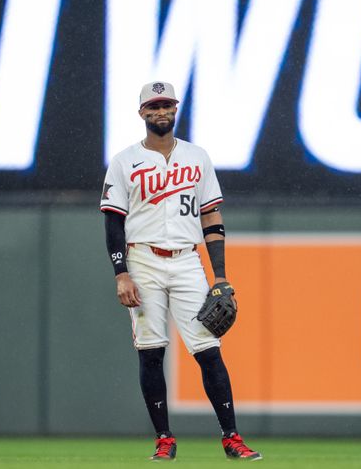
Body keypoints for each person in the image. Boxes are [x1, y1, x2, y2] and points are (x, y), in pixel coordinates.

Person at [100, 81, 262, 461]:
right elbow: (112, 221)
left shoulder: (197, 156)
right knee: (151, 350)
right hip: (142, 259)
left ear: (176, 109)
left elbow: (212, 215)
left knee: (208, 350)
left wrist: (219, 274)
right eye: (153, 106)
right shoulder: (125, 161)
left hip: (188, 260)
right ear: (141, 113)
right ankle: (164, 439)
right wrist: (121, 272)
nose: (161, 112)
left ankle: (231, 438)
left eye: (167, 105)